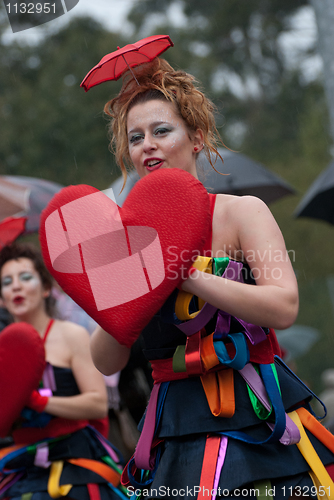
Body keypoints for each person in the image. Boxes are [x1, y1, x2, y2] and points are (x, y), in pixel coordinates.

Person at [86, 57, 334, 499]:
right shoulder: (124, 241)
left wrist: (185, 276)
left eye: (162, 131)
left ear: (197, 137)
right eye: (136, 138)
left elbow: (285, 306)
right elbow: (106, 361)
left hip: (259, 415)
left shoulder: (243, 212)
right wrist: (125, 296)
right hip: (175, 428)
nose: (148, 146)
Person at [0, 242, 127, 500]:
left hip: (75, 461)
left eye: (25, 278)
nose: (16, 286)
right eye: (6, 282)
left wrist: (39, 402)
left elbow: (98, 404)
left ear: (46, 288)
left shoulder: (72, 335)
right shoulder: (3, 351)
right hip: (22, 468)